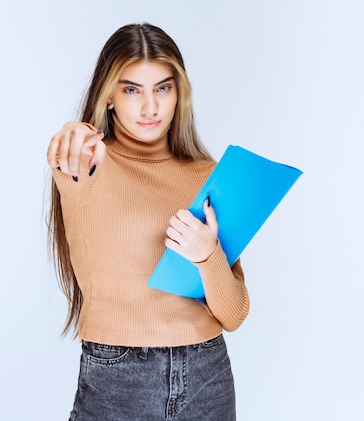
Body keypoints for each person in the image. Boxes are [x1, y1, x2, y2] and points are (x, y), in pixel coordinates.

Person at [46, 23, 250, 421]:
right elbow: (66, 156)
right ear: (108, 96)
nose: (150, 107)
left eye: (162, 88)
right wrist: (70, 136)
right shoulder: (88, 164)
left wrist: (208, 256)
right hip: (119, 379)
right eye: (131, 90)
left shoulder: (208, 175)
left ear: (179, 92)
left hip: (208, 375)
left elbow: (235, 313)